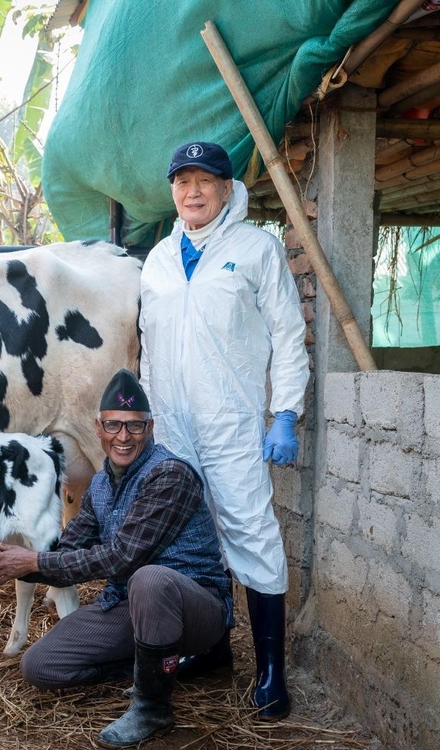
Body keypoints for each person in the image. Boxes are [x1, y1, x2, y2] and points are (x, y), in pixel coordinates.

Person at [138, 141, 309, 720]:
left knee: (252, 537)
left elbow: (288, 335)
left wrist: (284, 413)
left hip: (231, 424)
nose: (192, 191)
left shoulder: (255, 250)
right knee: (192, 541)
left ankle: (269, 673)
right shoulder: (157, 260)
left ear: (228, 188)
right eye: (182, 181)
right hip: (173, 431)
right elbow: (149, 349)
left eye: (204, 180)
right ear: (173, 192)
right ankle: (210, 650)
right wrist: (147, 424)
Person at [0, 369, 233, 747]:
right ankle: (153, 667)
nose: (123, 437)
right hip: (131, 607)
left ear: (150, 428)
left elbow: (121, 558)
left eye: (134, 426)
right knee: (40, 666)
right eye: (113, 425)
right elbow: (67, 554)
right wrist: (1, 554)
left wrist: (34, 563)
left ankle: (152, 706)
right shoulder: (98, 484)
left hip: (193, 607)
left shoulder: (169, 475)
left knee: (150, 578)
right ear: (98, 427)